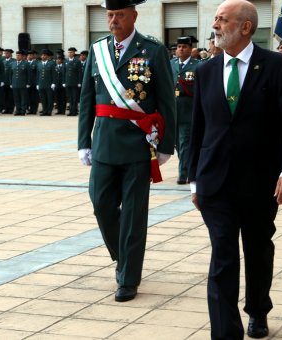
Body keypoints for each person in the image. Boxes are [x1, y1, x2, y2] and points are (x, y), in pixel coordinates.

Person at [188, 1, 282, 338]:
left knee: (257, 250)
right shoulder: (205, 71)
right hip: (215, 183)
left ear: (245, 27)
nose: (215, 25)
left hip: (260, 182)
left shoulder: (276, 66)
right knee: (223, 256)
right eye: (215, 19)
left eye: (222, 20)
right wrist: (194, 180)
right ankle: (226, 333)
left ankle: (257, 308)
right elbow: (197, 131)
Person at [78, 0, 175, 303]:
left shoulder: (152, 50)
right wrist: (84, 141)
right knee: (100, 203)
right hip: (105, 142)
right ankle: (124, 256)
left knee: (133, 214)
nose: (114, 20)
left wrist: (166, 145)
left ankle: (128, 277)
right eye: (110, 15)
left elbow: (166, 101)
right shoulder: (97, 50)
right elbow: (87, 99)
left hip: (137, 144)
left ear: (133, 16)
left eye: (120, 15)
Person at [170, 36, 200, 185]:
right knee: (176, 143)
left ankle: (183, 174)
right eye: (179, 47)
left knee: (185, 143)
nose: (181, 49)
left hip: (188, 110)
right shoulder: (170, 64)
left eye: (184, 47)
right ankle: (188, 166)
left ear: (190, 49)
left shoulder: (198, 65)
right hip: (173, 109)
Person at [9, 50, 30, 116]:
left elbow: (29, 74)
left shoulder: (26, 63)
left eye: (19, 55)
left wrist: (28, 83)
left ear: (22, 56)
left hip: (23, 83)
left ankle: (23, 110)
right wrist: (11, 83)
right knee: (16, 98)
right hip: (15, 83)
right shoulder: (13, 63)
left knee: (23, 98)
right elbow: (11, 74)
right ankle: (18, 110)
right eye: (17, 55)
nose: (17, 56)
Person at [36, 49, 56, 116]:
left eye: (44, 55)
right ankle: (44, 111)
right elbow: (38, 74)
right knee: (43, 98)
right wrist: (37, 83)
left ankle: (49, 111)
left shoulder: (51, 63)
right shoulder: (39, 64)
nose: (42, 56)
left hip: (49, 84)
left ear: (47, 56)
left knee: (49, 98)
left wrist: (53, 83)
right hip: (41, 84)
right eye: (42, 55)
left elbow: (54, 74)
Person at [64, 47, 82, 116]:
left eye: (71, 52)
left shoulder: (77, 61)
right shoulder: (66, 61)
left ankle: (74, 111)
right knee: (70, 98)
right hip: (68, 82)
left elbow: (79, 72)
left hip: (75, 82)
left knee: (74, 98)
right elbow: (64, 72)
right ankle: (70, 111)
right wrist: (64, 82)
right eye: (69, 52)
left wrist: (79, 82)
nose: (70, 53)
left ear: (74, 53)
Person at [2, 48, 16, 114]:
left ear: (10, 54)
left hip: (10, 81)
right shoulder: (3, 61)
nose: (6, 54)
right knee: (4, 96)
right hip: (4, 81)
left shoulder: (14, 61)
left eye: (7, 53)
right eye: (5, 53)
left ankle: (11, 109)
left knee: (11, 96)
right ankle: (5, 108)